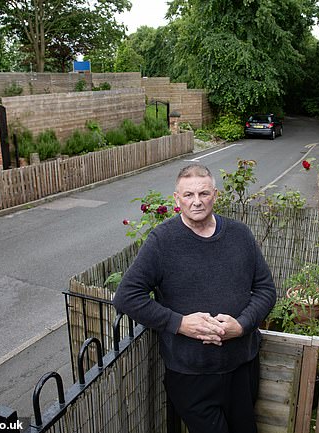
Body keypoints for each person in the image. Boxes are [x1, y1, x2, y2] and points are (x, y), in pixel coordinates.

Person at [113, 164, 276, 433]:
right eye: (188, 195)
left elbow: (266, 289)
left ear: (215, 194)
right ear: (177, 199)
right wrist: (180, 324)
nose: (197, 202)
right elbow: (127, 296)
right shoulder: (162, 241)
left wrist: (242, 325)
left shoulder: (240, 235)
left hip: (241, 366)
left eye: (203, 193)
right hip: (190, 374)